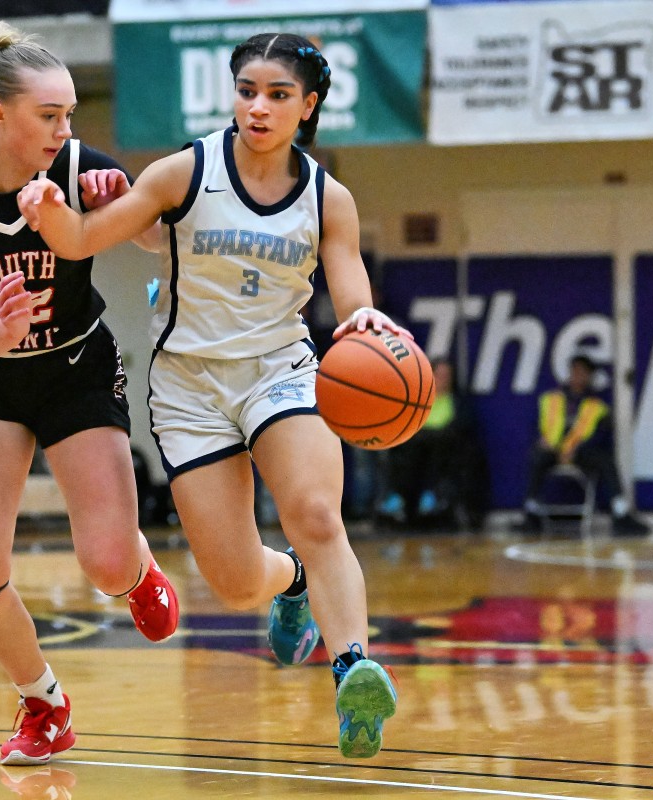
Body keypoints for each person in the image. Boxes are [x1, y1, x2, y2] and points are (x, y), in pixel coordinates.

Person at [21, 32, 401, 759]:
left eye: (278, 95)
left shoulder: (330, 197)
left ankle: (354, 672)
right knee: (231, 582)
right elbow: (82, 239)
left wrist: (362, 320)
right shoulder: (184, 172)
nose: (258, 107)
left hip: (279, 371)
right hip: (189, 388)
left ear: (308, 106)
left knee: (318, 514)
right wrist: (47, 211)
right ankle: (290, 580)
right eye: (247, 90)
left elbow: (350, 291)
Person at [0, 21, 179, 767]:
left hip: (73, 367)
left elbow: (156, 242)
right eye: (48, 116)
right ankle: (45, 702)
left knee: (102, 562)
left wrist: (126, 198)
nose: (65, 131)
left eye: (69, 116)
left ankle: (136, 568)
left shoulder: (81, 168)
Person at [513, 354, 649, 536]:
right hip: (552, 450)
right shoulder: (551, 399)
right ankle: (531, 514)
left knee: (605, 460)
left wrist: (575, 449)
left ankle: (621, 514)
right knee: (536, 457)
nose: (578, 376)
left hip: (581, 451)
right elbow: (537, 426)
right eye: (575, 371)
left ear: (590, 377)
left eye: (583, 372)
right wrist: (542, 440)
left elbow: (601, 435)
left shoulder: (597, 405)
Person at [379, 357, 489, 530]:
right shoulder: (418, 400)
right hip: (418, 448)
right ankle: (399, 497)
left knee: (440, 444)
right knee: (409, 447)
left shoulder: (458, 402)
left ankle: (431, 496)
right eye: (439, 375)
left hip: (446, 450)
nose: (443, 380)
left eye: (447, 376)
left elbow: (463, 426)